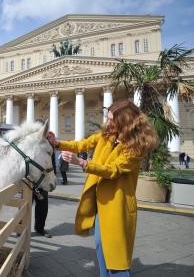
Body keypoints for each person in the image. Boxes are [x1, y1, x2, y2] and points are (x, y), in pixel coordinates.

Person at [47, 100, 157, 277]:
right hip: (100, 203)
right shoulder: (106, 136)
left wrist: (83, 163)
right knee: (101, 247)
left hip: (117, 206)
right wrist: (57, 143)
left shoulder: (136, 147)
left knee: (117, 259)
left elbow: (114, 170)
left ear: (124, 122)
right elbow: (82, 144)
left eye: (111, 120)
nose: (107, 123)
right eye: (108, 118)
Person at [32, 149, 56, 238]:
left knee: (43, 206)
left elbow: (52, 164)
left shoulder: (48, 146)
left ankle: (39, 228)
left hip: (43, 181)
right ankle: (21, 229)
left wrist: (52, 178)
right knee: (24, 206)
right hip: (29, 180)